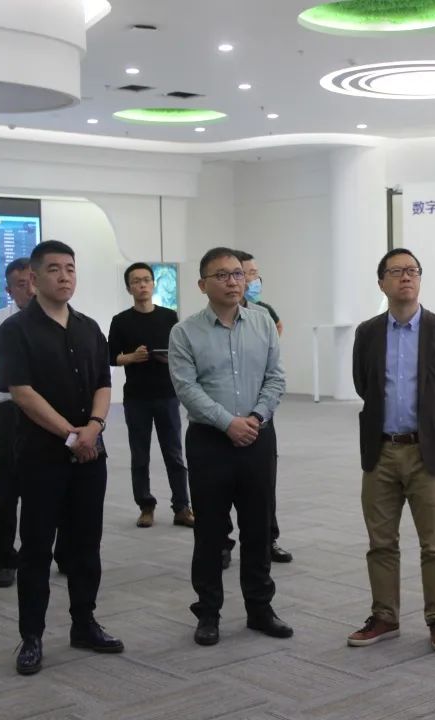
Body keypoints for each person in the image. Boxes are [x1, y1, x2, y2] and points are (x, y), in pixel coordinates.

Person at [0, 240, 124, 675]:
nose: (65, 276)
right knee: (36, 548)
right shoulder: (15, 330)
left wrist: (94, 427)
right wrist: (72, 435)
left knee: (86, 544)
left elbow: (104, 383)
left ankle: (84, 624)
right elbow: (22, 393)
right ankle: (31, 636)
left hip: (90, 453)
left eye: (70, 268)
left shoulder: (89, 328)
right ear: (34, 278)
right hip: (41, 457)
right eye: (54, 269)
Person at [169, 247, 291, 647]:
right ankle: (208, 612)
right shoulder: (184, 332)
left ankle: (260, 608)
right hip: (210, 441)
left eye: (238, 274)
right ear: (202, 284)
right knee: (210, 531)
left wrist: (254, 417)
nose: (233, 282)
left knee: (258, 526)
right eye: (221, 275)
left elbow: (276, 378)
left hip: (258, 436)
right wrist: (228, 423)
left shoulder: (263, 323)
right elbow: (187, 388)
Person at [348, 248, 435, 653]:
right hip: (380, 451)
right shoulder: (367, 333)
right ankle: (385, 616)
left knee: (434, 544)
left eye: (412, 270)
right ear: (382, 282)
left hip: (425, 452)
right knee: (381, 543)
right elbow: (364, 385)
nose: (406, 277)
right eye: (396, 271)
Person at [217, 250, 291, 565]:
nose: (252, 279)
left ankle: (268, 539)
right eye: (247, 273)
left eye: (252, 273)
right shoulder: (207, 322)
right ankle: (221, 543)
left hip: (260, 416)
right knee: (219, 488)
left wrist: (258, 414)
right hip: (221, 420)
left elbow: (275, 370)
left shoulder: (263, 315)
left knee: (264, 485)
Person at [108, 262, 193, 529]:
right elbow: (110, 358)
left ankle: (182, 507)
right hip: (136, 398)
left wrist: (169, 358)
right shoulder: (121, 321)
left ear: (154, 284)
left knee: (174, 454)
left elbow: (182, 351)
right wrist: (132, 357)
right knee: (140, 455)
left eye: (146, 279)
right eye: (136, 281)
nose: (142, 285)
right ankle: (146, 506)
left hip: (167, 394)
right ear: (129, 288)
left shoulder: (169, 317)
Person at [0, 258, 35, 587]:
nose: (29, 289)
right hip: (13, 414)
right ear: (8, 289)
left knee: (53, 488)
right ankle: (4, 561)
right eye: (21, 284)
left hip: (52, 414)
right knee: (7, 491)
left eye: (32, 281)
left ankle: (55, 554)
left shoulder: (56, 318)